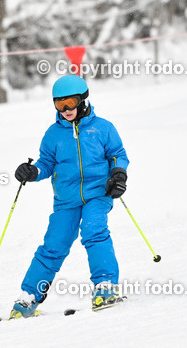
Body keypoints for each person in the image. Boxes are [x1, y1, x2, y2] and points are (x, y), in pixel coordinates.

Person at [9, 74, 130, 318]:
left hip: (98, 193)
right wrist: (33, 172)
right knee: (53, 245)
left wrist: (118, 175)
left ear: (83, 100)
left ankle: (105, 285)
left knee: (94, 230)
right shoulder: (53, 134)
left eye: (70, 103)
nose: (65, 110)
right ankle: (29, 297)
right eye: (59, 105)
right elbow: (46, 164)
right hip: (66, 200)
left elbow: (117, 154)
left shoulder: (102, 128)